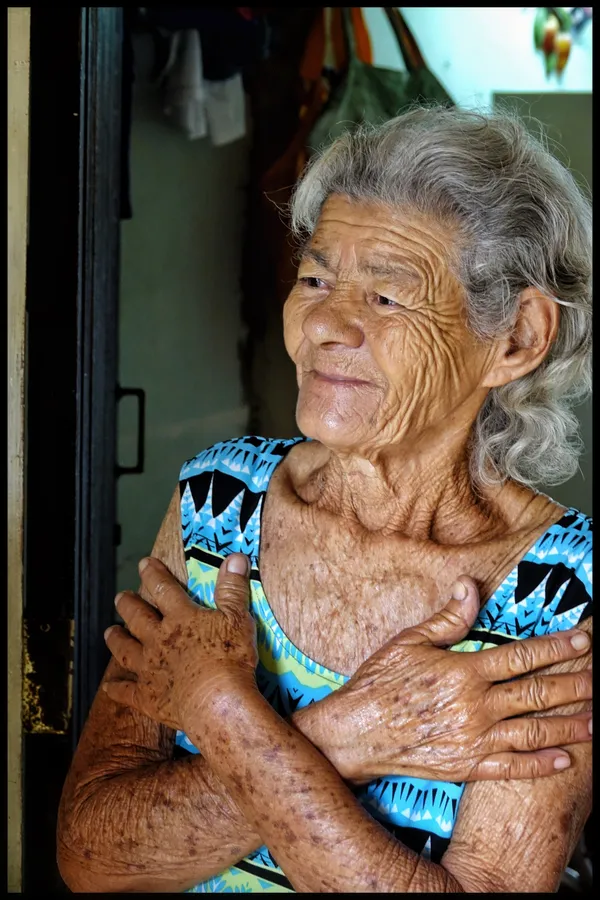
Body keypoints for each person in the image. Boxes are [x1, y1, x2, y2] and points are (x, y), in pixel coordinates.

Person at [57, 106, 592, 893]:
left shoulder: (559, 596)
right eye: (314, 278)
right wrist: (348, 733)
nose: (324, 323)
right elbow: (91, 856)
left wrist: (219, 708)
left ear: (515, 338)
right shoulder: (219, 500)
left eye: (385, 298)